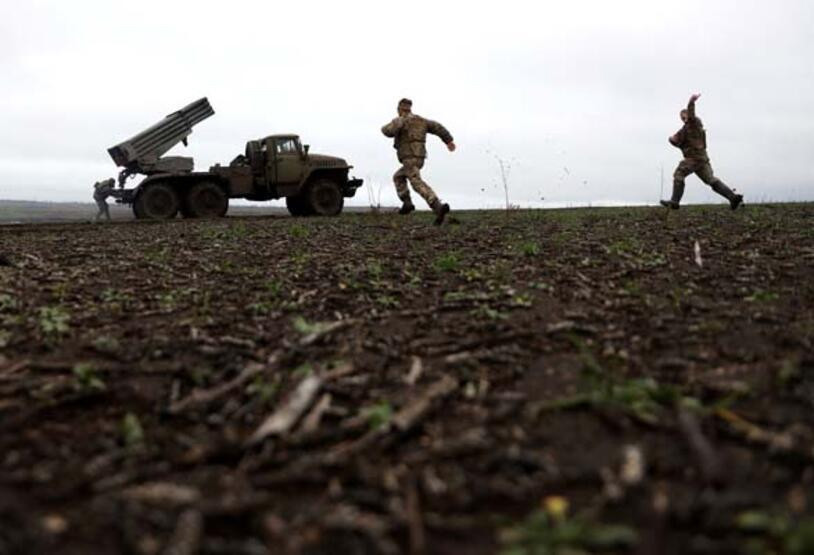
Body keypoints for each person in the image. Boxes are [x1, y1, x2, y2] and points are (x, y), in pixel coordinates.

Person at [662, 94, 743, 210]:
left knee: (679, 174)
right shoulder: (685, 129)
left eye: (684, 115)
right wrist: (673, 141)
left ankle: (674, 202)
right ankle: (733, 198)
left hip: (694, 158)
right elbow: (675, 140)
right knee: (711, 180)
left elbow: (690, 116)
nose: (683, 118)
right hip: (702, 159)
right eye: (682, 117)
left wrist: (691, 102)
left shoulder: (694, 123)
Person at [381, 98, 456, 225]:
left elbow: (387, 131)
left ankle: (437, 205)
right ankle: (407, 203)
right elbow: (438, 127)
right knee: (398, 177)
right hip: (419, 158)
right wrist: (448, 140)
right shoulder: (422, 121)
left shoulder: (400, 120)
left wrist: (397, 122)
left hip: (409, 158)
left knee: (416, 183)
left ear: (399, 109)